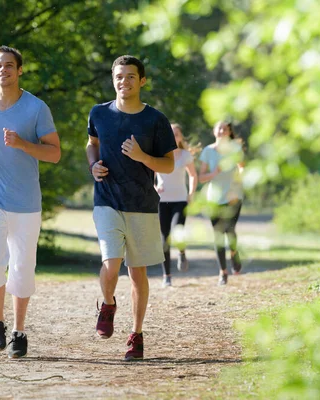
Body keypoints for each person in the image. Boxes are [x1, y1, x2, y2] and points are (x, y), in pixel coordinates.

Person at [0, 45, 61, 358]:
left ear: (20, 70)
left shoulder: (35, 108)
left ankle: (19, 332)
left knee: (22, 269)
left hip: (25, 202)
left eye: (9, 65)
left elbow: (54, 153)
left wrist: (23, 144)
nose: (3, 70)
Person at [86, 55, 177, 361]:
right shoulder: (99, 113)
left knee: (138, 273)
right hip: (107, 200)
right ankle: (108, 303)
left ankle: (136, 335)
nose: (123, 82)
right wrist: (93, 164)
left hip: (143, 204)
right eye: (119, 76)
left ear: (142, 81)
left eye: (129, 77)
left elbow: (169, 163)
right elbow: (91, 143)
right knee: (112, 262)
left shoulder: (155, 120)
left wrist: (141, 156)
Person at [198, 121, 244, 286]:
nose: (222, 130)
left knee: (229, 230)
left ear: (229, 132)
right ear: (214, 131)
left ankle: (234, 252)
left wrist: (241, 176)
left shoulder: (235, 149)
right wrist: (214, 173)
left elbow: (242, 168)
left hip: (233, 196)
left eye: (225, 128)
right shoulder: (208, 151)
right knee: (218, 235)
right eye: (219, 127)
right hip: (214, 198)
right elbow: (201, 177)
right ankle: (222, 272)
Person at [155, 123, 198, 287]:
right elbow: (149, 174)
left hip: (180, 200)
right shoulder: (158, 154)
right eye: (171, 133)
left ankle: (181, 252)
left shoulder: (185, 155)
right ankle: (167, 275)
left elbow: (193, 175)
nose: (174, 136)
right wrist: (154, 187)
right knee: (164, 238)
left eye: (177, 134)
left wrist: (191, 194)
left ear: (181, 137)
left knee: (177, 231)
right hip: (162, 200)